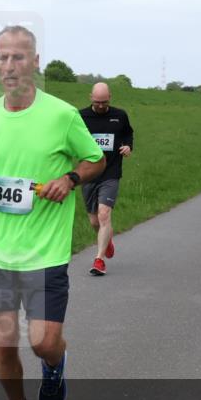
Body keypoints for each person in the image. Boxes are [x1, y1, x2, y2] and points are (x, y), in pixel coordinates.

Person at [0, 26, 104, 400]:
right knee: (3, 345)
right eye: (2, 57)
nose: (9, 65)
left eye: (18, 57)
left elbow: (95, 160)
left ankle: (54, 365)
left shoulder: (61, 115)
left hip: (44, 253)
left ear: (35, 62)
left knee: (42, 342)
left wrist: (70, 179)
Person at [78, 82, 133, 276]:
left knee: (103, 215)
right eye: (97, 102)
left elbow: (128, 133)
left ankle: (99, 260)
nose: (101, 105)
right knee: (94, 221)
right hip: (88, 173)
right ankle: (107, 239)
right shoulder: (80, 116)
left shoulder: (120, 115)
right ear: (90, 97)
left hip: (111, 172)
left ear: (110, 97)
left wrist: (128, 146)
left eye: (104, 101)